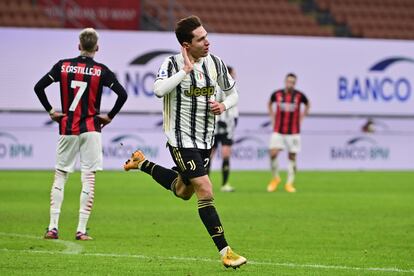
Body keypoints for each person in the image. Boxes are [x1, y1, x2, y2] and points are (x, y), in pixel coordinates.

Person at [123, 16, 247, 268]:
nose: (207, 42)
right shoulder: (171, 64)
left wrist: (223, 104)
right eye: (201, 38)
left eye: (206, 36)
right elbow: (158, 90)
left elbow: (234, 93)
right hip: (180, 138)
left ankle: (142, 163)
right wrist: (184, 71)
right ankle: (225, 252)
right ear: (186, 44)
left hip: (205, 139)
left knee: (183, 191)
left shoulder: (216, 64)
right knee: (205, 189)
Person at [34, 28, 128, 240]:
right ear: (97, 47)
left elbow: (38, 87)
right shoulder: (101, 71)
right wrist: (109, 116)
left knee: (61, 176)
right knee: (88, 177)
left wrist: (52, 112)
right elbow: (122, 94)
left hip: (67, 126)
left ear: (79, 46)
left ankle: (52, 227)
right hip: (92, 127)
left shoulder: (63, 66)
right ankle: (81, 230)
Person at [267, 73, 310, 193]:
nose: (290, 84)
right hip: (278, 130)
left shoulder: (299, 96)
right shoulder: (277, 94)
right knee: (273, 153)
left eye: (292, 82)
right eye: (288, 81)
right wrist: (272, 116)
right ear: (285, 81)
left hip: (294, 131)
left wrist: (302, 116)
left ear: (295, 83)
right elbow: (270, 103)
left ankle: (289, 183)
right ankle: (276, 178)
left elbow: (308, 104)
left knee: (292, 156)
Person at [208, 66, 239, 192]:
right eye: (232, 74)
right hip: (214, 128)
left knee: (226, 154)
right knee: (209, 156)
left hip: (228, 128)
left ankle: (225, 184)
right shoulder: (216, 87)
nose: (234, 76)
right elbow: (213, 104)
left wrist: (234, 121)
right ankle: (206, 184)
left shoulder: (233, 89)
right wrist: (218, 120)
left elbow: (234, 107)